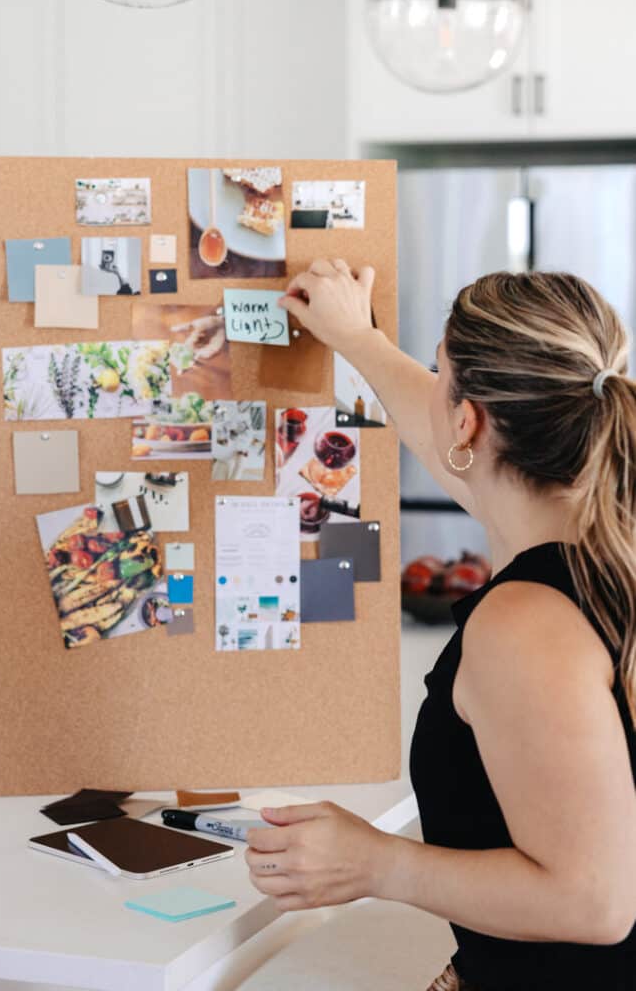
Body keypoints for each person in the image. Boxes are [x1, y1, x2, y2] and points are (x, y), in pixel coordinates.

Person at [244, 262, 636, 991]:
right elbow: (458, 456)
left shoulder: (525, 624)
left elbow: (596, 902)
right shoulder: (609, 531)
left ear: (468, 420)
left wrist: (374, 863)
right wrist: (356, 339)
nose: (428, 392)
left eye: (438, 375)